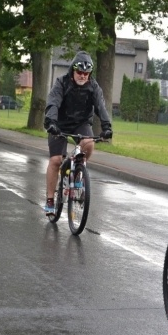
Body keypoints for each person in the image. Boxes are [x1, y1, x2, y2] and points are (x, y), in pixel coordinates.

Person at [43, 51, 113, 215]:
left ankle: (77, 172)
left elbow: (101, 107)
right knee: (55, 160)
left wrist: (106, 127)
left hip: (80, 123)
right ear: (73, 70)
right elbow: (53, 103)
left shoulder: (93, 87)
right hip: (59, 123)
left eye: (86, 73)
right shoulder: (62, 83)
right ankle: (50, 199)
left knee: (89, 144)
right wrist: (51, 122)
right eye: (79, 72)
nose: (82, 76)